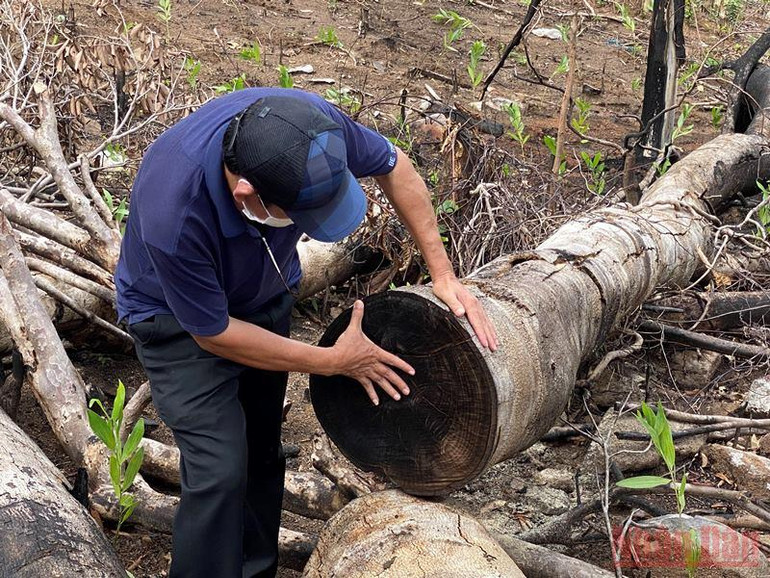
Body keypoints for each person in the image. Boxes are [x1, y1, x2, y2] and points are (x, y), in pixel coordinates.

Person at [115, 87, 497, 578]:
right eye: (302, 216)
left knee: (260, 449)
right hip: (176, 320)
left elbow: (394, 165)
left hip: (262, 291)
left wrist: (443, 273)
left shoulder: (310, 126)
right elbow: (213, 333)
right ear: (247, 194)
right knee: (218, 470)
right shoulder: (174, 210)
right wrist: (334, 361)